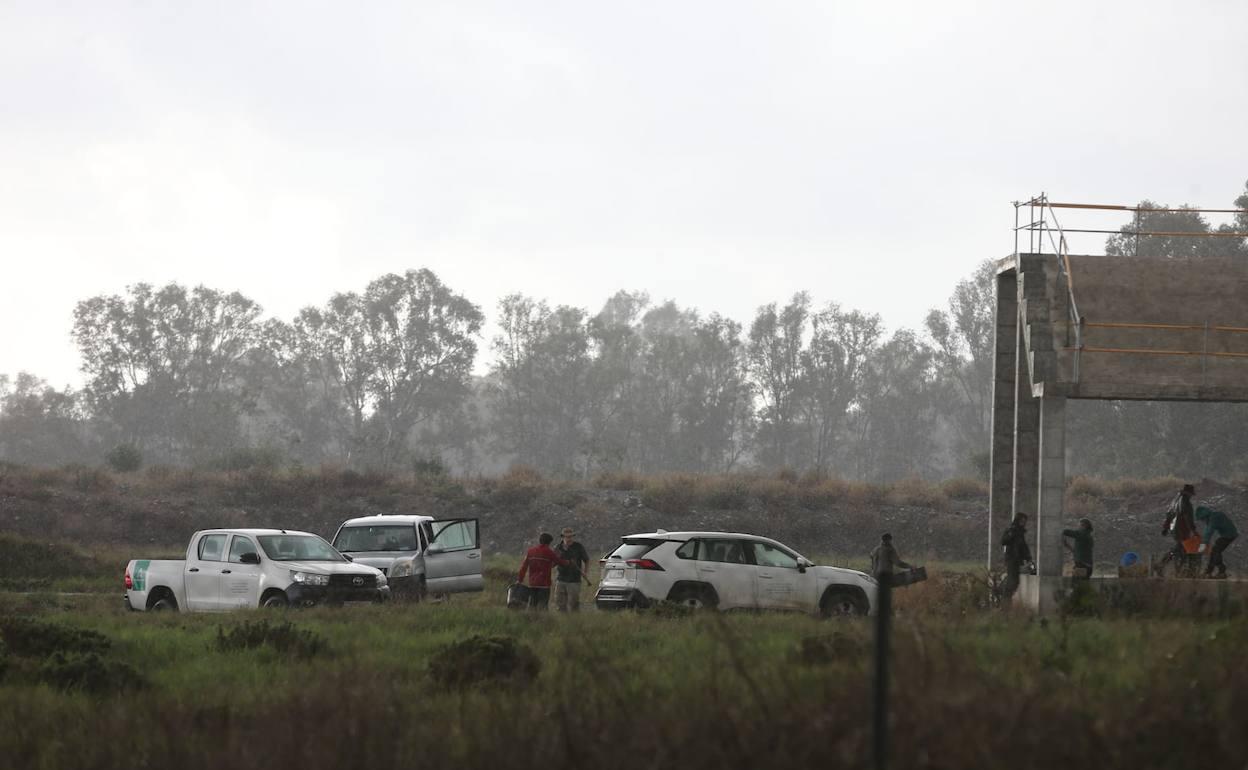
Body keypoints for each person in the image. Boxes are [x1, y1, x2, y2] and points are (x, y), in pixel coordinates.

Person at [516, 533, 569, 609]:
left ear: (540, 540)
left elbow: (524, 567)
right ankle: (542, 620)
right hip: (544, 584)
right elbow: (559, 562)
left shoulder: (531, 551)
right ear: (549, 542)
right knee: (543, 606)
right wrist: (568, 562)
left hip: (532, 584)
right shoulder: (549, 552)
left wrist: (519, 580)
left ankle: (531, 619)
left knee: (532, 605)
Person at [1159, 484, 1199, 575]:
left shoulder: (1175, 501)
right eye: (1191, 494)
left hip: (1175, 529)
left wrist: (1165, 527)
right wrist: (1193, 530)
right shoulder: (1185, 502)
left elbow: (1169, 514)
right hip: (1182, 529)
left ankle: (1169, 566)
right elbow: (1187, 517)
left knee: (1181, 548)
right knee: (1182, 548)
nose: (1191, 496)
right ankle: (1163, 565)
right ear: (1188, 493)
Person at [553, 527, 591, 612]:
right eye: (567, 536)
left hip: (574, 579)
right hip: (561, 578)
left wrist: (585, 572)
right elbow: (553, 561)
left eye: (570, 536)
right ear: (563, 537)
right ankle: (563, 620)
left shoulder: (578, 546)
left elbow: (586, 560)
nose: (569, 539)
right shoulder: (558, 547)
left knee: (574, 603)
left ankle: (574, 620)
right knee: (560, 603)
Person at [1194, 506, 1238, 579]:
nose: (1202, 521)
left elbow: (1209, 532)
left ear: (1205, 516)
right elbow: (1207, 530)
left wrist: (1203, 544)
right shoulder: (1213, 516)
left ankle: (1221, 571)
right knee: (1214, 551)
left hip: (1229, 535)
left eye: (1202, 519)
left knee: (1216, 551)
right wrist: (1203, 543)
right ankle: (1209, 571)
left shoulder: (1213, 518)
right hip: (1227, 534)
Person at [1000, 514, 1034, 602]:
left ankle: (1006, 598)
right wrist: (1011, 534)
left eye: (1024, 521)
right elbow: (1004, 541)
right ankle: (1005, 601)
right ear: (1018, 521)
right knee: (1013, 581)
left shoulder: (1020, 533)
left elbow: (1023, 547)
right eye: (1022, 521)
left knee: (1015, 581)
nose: (1023, 523)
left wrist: (1028, 558)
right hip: (1011, 559)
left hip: (1017, 560)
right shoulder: (1011, 530)